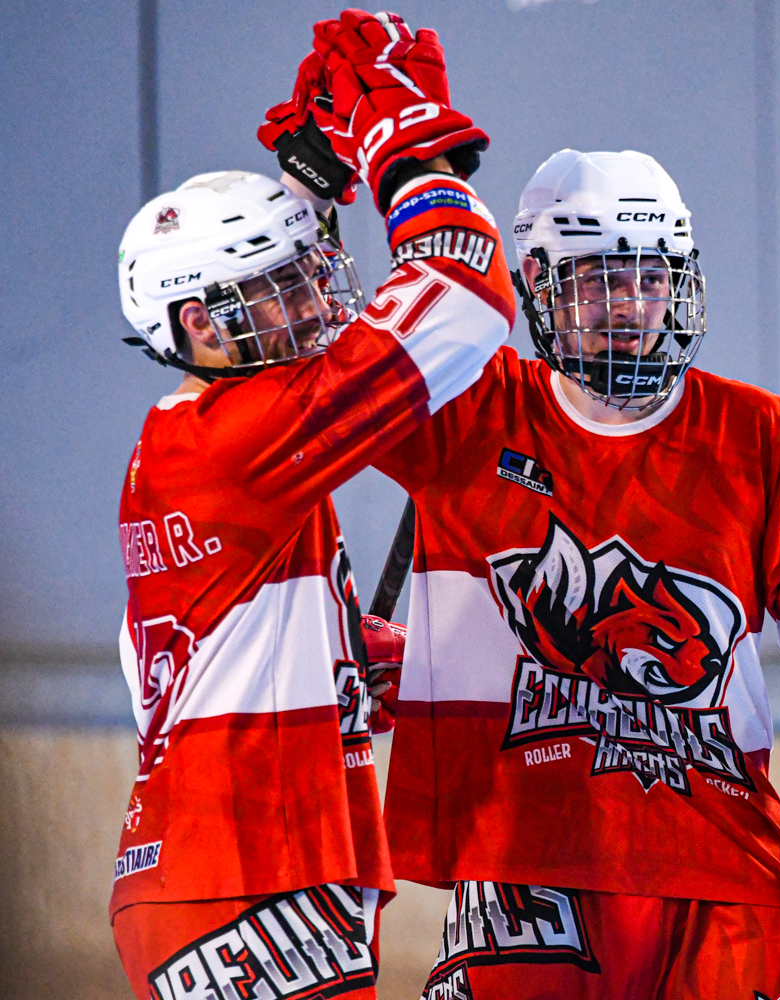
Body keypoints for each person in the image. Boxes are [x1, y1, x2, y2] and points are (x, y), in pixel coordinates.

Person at [373, 147, 780, 999]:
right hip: (528, 874)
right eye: (598, 280)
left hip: (727, 875)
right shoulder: (467, 408)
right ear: (537, 285)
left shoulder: (760, 437)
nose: (629, 305)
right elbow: (293, 401)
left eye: (651, 278)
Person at [108, 12, 512, 997]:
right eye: (275, 288)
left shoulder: (196, 434)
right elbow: (461, 291)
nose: (310, 300)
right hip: (246, 878)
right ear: (200, 322)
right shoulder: (238, 435)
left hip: (236, 872)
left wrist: (313, 182)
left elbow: (173, 656)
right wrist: (402, 146)